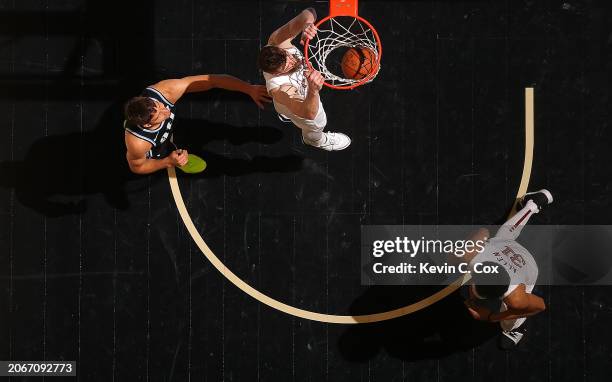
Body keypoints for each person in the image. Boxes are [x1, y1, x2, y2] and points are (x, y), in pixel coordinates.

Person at [459, 190, 552, 349]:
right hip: (505, 247)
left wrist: (494, 317)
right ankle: (533, 203)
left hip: (528, 267)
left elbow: (540, 306)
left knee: (508, 321)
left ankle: (515, 329)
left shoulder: (516, 297)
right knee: (502, 238)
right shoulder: (470, 255)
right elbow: (483, 232)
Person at [124, 75, 271, 174]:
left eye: (159, 105)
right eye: (159, 115)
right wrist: (167, 161)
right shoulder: (138, 143)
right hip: (157, 147)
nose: (165, 110)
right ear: (148, 126)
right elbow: (137, 166)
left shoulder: (166, 91)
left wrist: (249, 88)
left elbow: (212, 80)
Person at [257, 7, 351, 151]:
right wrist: (313, 90)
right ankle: (315, 140)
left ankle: (287, 116)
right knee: (317, 123)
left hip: (298, 95)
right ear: (276, 74)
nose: (294, 61)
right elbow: (308, 114)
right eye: (287, 67)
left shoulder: (277, 41)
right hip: (294, 103)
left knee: (301, 111)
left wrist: (307, 24)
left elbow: (309, 12)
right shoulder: (280, 89)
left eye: (288, 56)